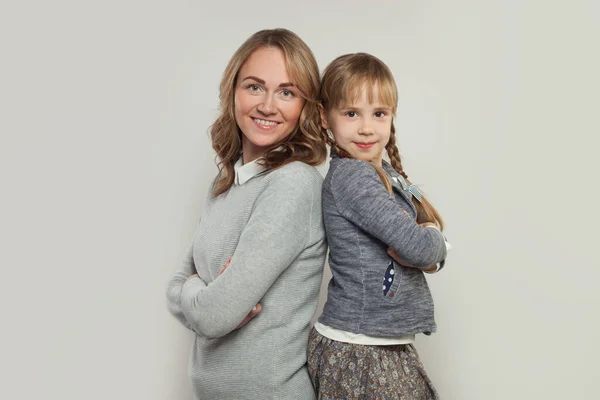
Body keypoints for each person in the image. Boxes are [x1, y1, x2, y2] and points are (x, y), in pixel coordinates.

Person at [166, 28, 328, 400]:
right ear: (233, 90)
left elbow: (213, 316)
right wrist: (200, 293)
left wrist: (204, 297)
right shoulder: (225, 183)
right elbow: (175, 287)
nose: (268, 106)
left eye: (287, 92)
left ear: (304, 106)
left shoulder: (292, 184)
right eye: (254, 87)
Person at [307, 53, 451, 399]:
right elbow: (418, 246)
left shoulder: (381, 172)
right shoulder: (354, 177)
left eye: (379, 114)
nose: (367, 127)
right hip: (360, 347)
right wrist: (433, 242)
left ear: (392, 117)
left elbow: (422, 250)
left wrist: (430, 250)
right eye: (351, 113)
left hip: (377, 343)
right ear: (326, 117)